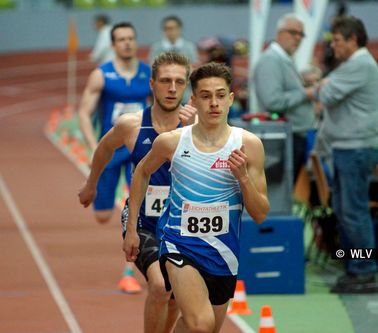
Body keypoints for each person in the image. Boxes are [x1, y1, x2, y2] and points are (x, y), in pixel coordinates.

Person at [124, 62, 270, 332]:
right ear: (193, 100)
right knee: (201, 324)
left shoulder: (248, 145)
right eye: (205, 96)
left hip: (224, 253)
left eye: (219, 95)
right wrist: (132, 228)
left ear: (230, 99)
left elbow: (260, 214)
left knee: (205, 328)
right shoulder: (172, 142)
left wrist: (243, 178)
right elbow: (141, 173)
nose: (213, 103)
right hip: (180, 245)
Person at [79, 52, 196, 333]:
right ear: (152, 84)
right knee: (159, 285)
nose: (172, 88)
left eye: (179, 82)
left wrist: (194, 130)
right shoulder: (131, 124)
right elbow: (104, 150)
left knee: (174, 297)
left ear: (186, 86)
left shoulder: (198, 127)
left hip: (183, 223)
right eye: (165, 81)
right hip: (144, 221)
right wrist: (91, 184)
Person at [314, 16, 378, 293]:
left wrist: (322, 85)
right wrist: (324, 84)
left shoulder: (360, 65)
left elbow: (327, 95)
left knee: (353, 213)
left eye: (339, 41)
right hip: (347, 146)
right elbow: (327, 87)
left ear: (353, 39)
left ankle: (364, 270)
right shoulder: (353, 65)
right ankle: (356, 268)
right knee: (346, 211)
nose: (335, 47)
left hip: (356, 147)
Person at [78, 22, 152, 225]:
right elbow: (84, 113)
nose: (127, 43)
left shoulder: (149, 75)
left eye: (130, 38)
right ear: (113, 45)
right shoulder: (101, 75)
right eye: (121, 39)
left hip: (139, 149)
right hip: (110, 148)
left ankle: (136, 236)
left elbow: (161, 111)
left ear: (136, 42)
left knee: (144, 209)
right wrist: (94, 147)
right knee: (102, 216)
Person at [253, 13, 316, 183]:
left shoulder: (283, 59)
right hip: (285, 139)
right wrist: (307, 93)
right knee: (279, 194)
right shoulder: (270, 61)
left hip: (292, 135)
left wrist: (302, 83)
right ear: (279, 33)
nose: (298, 38)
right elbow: (273, 101)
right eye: (293, 32)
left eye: (301, 34)